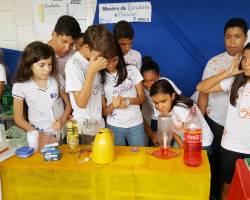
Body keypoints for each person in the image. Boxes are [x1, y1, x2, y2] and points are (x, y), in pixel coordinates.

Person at [197, 18, 248, 200]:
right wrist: (201, 122)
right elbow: (202, 91)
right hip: (217, 123)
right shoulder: (214, 62)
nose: (232, 42)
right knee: (218, 168)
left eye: (237, 37)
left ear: (246, 37)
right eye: (228, 37)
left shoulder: (247, 64)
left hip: (242, 131)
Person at [12, 41, 72, 146]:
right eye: (42, 65)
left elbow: (68, 105)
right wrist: (38, 135)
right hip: (39, 138)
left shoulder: (56, 78)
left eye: (50, 64)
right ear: (29, 64)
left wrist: (62, 120)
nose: (47, 69)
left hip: (61, 135)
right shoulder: (20, 85)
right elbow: (18, 118)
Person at [65, 25, 112, 144]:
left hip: (99, 125)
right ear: (87, 46)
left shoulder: (95, 60)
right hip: (84, 129)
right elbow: (81, 103)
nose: (102, 58)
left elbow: (98, 92)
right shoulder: (73, 65)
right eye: (100, 54)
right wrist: (91, 72)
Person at [101, 41, 145, 147]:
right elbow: (103, 112)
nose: (111, 65)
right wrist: (113, 105)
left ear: (119, 57)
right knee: (118, 160)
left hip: (136, 124)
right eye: (107, 62)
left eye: (114, 60)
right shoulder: (100, 78)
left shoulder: (131, 70)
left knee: (139, 158)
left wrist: (129, 101)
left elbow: (142, 98)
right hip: (114, 126)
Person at [150, 79, 213, 149]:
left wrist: (186, 150)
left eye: (163, 101)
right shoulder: (163, 107)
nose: (160, 106)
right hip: (187, 140)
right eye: (156, 102)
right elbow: (173, 132)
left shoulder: (179, 109)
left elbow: (193, 132)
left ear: (173, 96)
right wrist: (183, 147)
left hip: (201, 143)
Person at [140, 56, 182, 145]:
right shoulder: (141, 89)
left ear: (159, 76)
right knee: (157, 143)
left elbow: (179, 99)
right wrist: (151, 133)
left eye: (152, 80)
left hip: (172, 118)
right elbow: (138, 112)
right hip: (156, 118)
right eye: (145, 81)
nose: (149, 84)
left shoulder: (165, 82)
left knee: (170, 144)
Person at [48, 15, 81, 80]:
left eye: (72, 44)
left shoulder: (74, 55)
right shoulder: (40, 56)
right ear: (53, 35)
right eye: (64, 41)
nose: (67, 48)